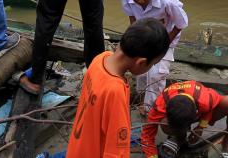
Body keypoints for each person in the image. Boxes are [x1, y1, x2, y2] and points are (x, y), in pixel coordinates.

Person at [66, 18, 170, 158]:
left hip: (77, 148)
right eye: (153, 64)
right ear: (141, 62)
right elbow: (116, 151)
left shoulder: (100, 59)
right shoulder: (115, 91)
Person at [121, 0, 188, 114]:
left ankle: (152, 110)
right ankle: (141, 98)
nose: (140, 0)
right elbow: (132, 17)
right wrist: (134, 38)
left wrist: (164, 45)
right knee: (141, 71)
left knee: (157, 74)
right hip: (143, 37)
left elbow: (180, 24)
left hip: (166, 39)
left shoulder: (168, 2)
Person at [141, 80, 228, 158]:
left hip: (202, 107)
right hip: (182, 114)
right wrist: (152, 156)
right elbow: (147, 135)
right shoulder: (160, 105)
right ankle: (178, 138)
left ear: (196, 114)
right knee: (165, 124)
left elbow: (210, 109)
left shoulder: (205, 99)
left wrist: (200, 127)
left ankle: (227, 142)